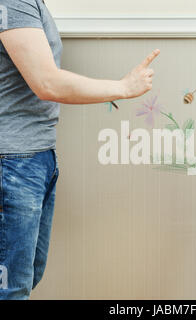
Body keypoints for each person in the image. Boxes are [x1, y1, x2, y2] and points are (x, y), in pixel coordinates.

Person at [0, 0, 159, 299]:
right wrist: (123, 87)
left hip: (34, 157)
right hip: (13, 163)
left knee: (25, 278)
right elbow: (46, 82)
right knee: (11, 289)